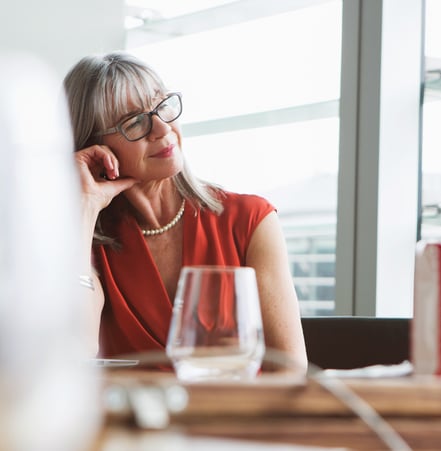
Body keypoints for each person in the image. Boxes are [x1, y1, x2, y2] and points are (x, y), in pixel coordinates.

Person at [63, 52, 308, 373]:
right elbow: (72, 350)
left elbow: (290, 371)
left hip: (239, 419)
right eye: (134, 121)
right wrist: (84, 205)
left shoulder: (250, 220)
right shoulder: (85, 241)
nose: (162, 128)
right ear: (94, 146)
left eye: (162, 106)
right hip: (133, 421)